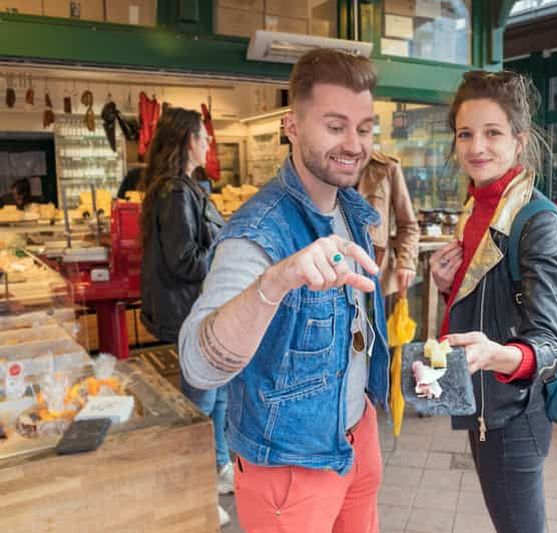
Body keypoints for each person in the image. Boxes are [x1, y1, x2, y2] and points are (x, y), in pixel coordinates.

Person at [179, 48, 389, 533]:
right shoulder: (257, 233)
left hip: (359, 435)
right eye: (335, 126)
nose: (354, 144)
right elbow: (197, 363)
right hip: (291, 466)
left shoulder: (351, 209)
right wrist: (277, 281)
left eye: (364, 127)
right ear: (292, 126)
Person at [430, 70, 557, 533]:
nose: (476, 148)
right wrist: (448, 286)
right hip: (482, 399)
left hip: (514, 412)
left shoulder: (538, 223)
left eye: (492, 133)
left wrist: (494, 353)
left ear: (519, 139)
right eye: (465, 134)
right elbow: (491, 301)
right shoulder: (477, 207)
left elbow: (550, 345)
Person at [137, 107, 231, 527]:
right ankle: (194, 492)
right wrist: (226, 244)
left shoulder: (185, 188)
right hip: (188, 312)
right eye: (204, 136)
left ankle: (221, 466)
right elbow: (186, 262)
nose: (209, 142)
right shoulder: (176, 193)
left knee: (220, 391)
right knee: (201, 404)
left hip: (200, 309)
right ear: (189, 141)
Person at [358, 151, 420, 296]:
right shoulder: (327, 166)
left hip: (375, 273)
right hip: (334, 273)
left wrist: (406, 261)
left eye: (362, 130)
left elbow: (408, 225)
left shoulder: (386, 167)